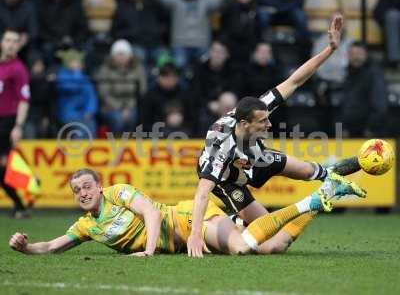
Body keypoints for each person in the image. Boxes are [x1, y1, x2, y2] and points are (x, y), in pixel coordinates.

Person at [187, 14, 347, 257]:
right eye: (262, 122)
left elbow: (295, 80)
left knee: (305, 171)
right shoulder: (220, 146)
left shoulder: (258, 106)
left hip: (255, 157)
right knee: (272, 240)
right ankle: (241, 220)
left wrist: (330, 50)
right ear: (244, 123)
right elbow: (201, 193)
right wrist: (195, 235)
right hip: (229, 180)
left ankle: (338, 175)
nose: (269, 125)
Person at [8, 168, 366, 256]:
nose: (83, 193)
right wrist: (25, 247)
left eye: (87, 186)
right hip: (180, 241)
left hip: (185, 218)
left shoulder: (117, 192)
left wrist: (148, 251)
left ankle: (311, 201)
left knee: (242, 247)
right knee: (272, 248)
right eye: (76, 191)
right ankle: (324, 195)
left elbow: (149, 213)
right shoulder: (87, 226)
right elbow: (52, 247)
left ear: (99, 187)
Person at [0, 28, 30, 218]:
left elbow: (24, 100)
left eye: (14, 41)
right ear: (2, 42)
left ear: (18, 46)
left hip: (7, 121)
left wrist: (18, 126)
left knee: (3, 166)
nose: (10, 44)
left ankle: (20, 204)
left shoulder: (18, 69)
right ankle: (19, 206)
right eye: (7, 40)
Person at [95, 39, 147, 135]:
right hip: (109, 107)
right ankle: (117, 146)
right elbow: (104, 94)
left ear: (130, 55)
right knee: (118, 120)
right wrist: (120, 108)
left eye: (124, 54)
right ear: (113, 56)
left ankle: (131, 145)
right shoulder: (105, 69)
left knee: (134, 117)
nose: (121, 57)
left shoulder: (138, 68)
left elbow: (142, 91)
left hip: (132, 105)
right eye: (118, 54)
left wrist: (128, 108)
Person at [340, 41, 388, 138]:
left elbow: (380, 105)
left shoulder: (374, 74)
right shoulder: (347, 74)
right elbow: (346, 104)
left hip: (368, 132)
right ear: (348, 56)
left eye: (359, 53)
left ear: (366, 54)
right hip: (351, 132)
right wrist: (344, 128)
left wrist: (370, 128)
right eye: (352, 54)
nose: (355, 57)